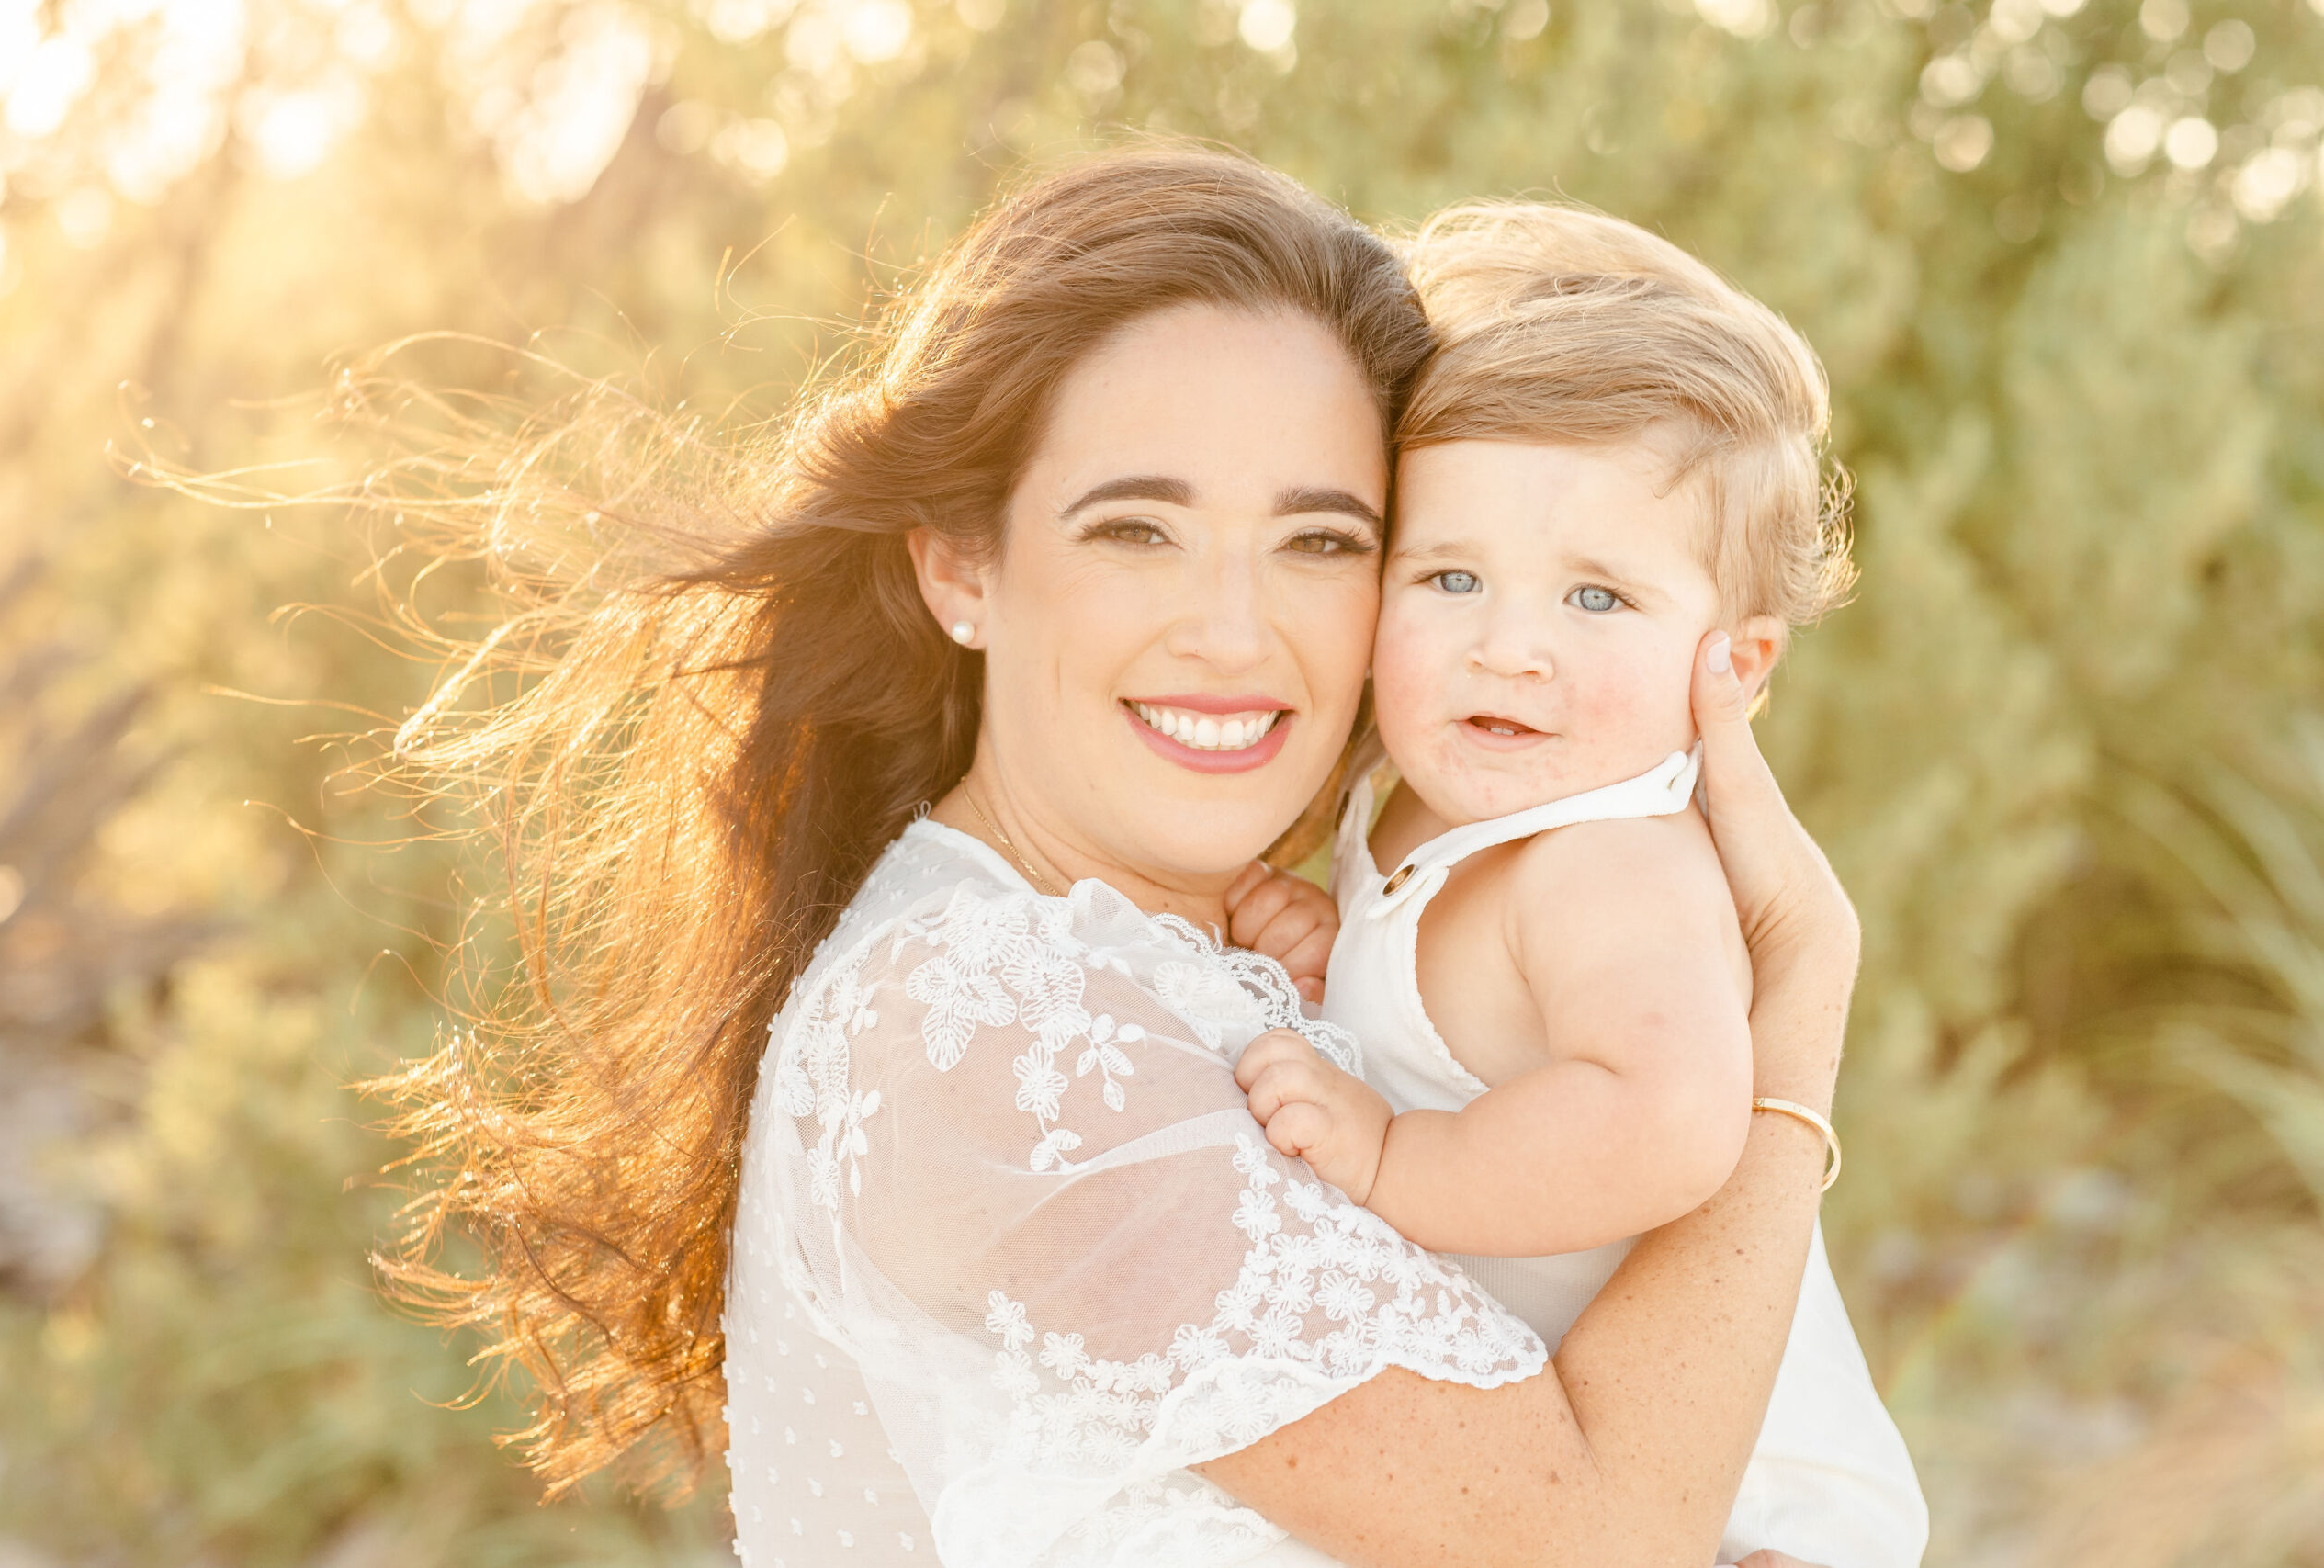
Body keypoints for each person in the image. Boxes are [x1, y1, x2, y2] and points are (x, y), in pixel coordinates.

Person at [380, 146, 1869, 1568]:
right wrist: (1797, 989)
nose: (1233, 631)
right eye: (1139, 531)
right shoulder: (990, 1032)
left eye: (1323, 542)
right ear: (964, 562)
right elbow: (1595, 1538)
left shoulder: (1173, 946)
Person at [1229, 201, 1927, 1567]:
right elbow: (1446, 1013)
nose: (1511, 649)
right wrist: (1325, 954)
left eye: (1596, 598)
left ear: (1737, 664)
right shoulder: (1432, 793)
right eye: (1452, 576)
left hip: (1753, 1518)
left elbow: (1667, 1121)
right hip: (1580, 1442)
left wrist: (1390, 1155)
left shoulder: (1613, 866)